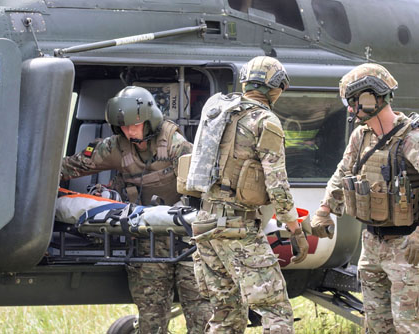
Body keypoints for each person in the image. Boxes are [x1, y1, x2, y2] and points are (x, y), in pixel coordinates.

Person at [61, 86, 212, 334]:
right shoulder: (117, 147)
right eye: (124, 127)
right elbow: (75, 165)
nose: (129, 131)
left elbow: (204, 186)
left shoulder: (176, 145)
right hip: (148, 240)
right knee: (151, 317)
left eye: (135, 125)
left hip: (188, 240)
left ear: (149, 120)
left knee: (201, 315)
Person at [185, 56, 308, 334]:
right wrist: (294, 229)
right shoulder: (265, 121)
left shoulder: (220, 112)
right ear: (275, 88)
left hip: (204, 223)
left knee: (225, 312)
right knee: (276, 309)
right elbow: (278, 184)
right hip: (236, 227)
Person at [310, 63, 419, 333]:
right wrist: (324, 210)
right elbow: (342, 172)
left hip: (406, 247)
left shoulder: (410, 138)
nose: (350, 108)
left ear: (373, 97)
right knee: (377, 325)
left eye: (354, 100)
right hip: (371, 244)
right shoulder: (362, 136)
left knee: (409, 325)